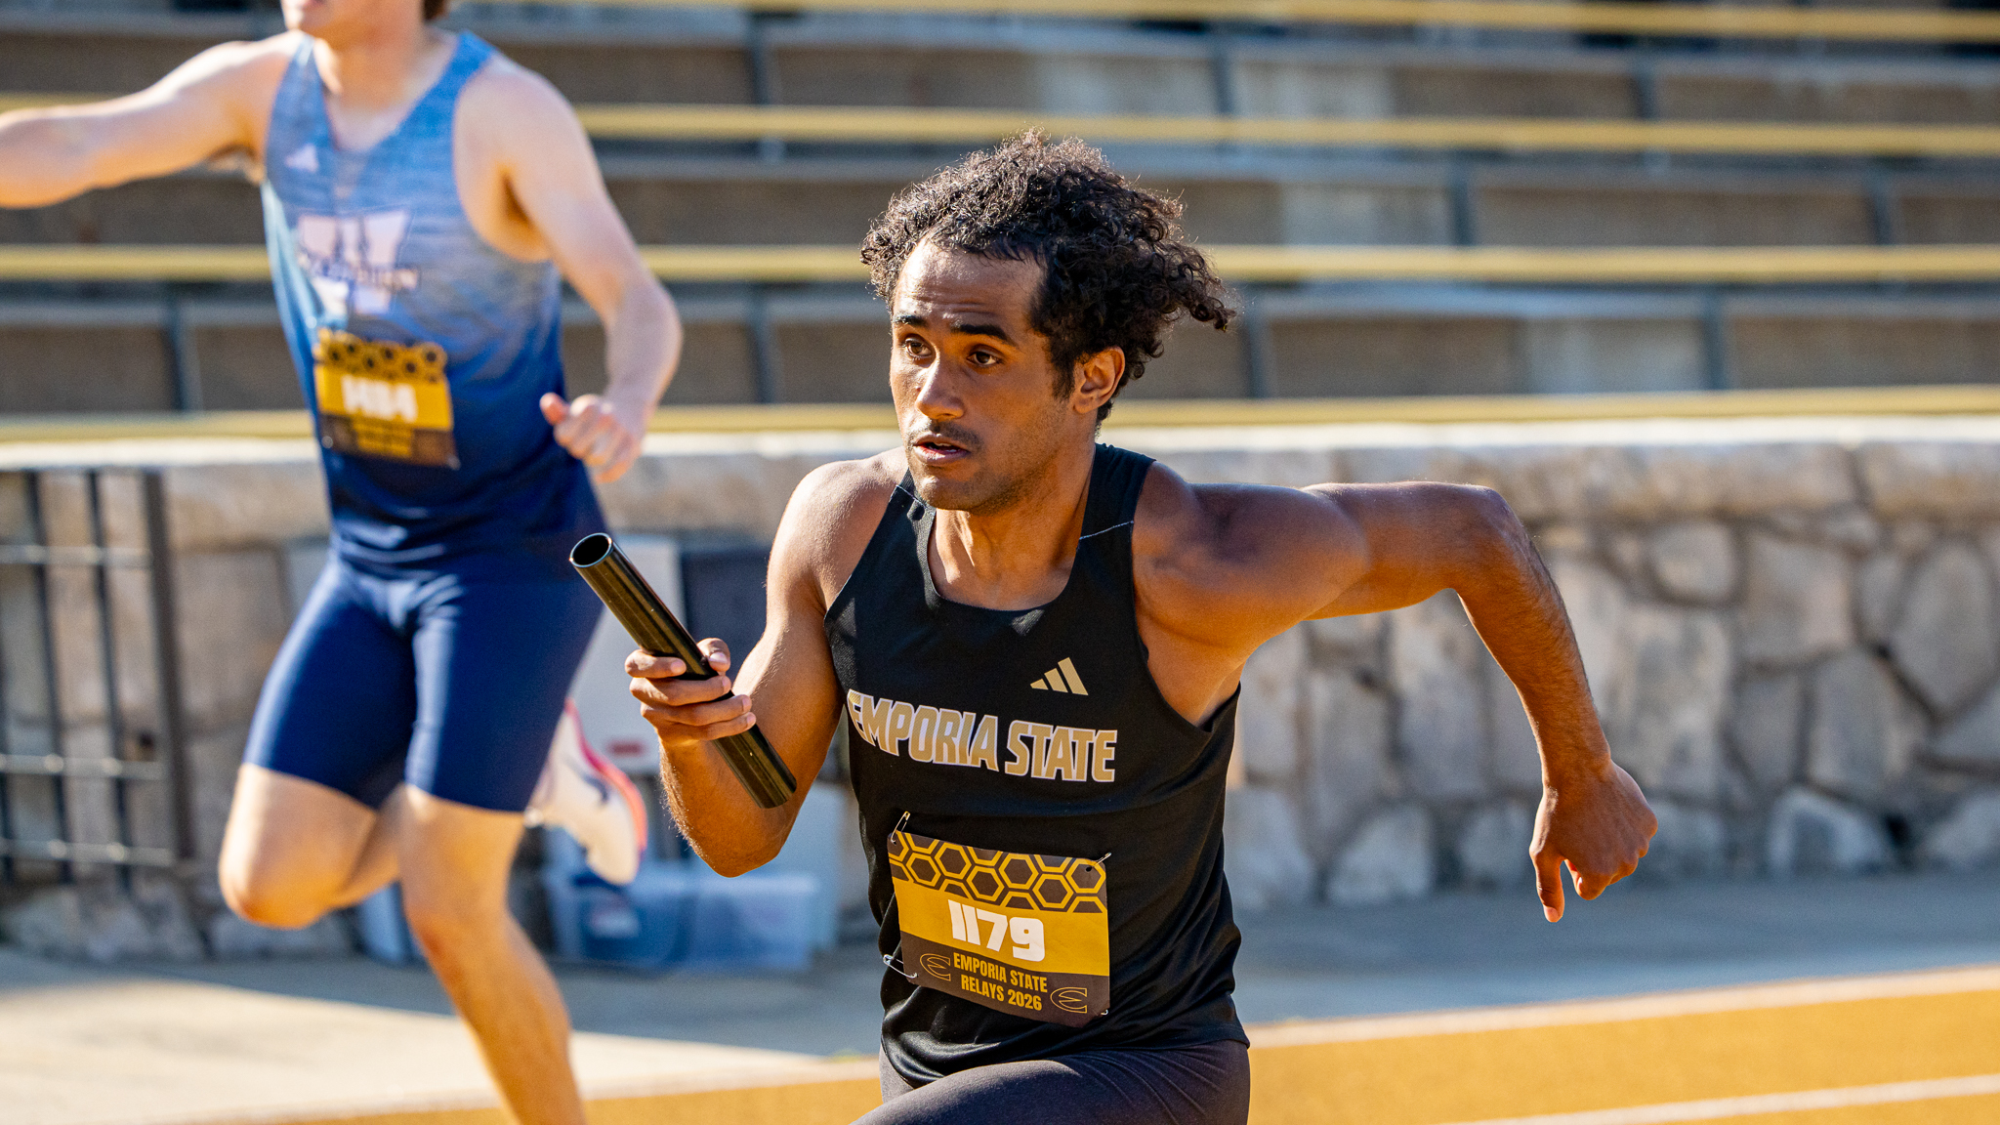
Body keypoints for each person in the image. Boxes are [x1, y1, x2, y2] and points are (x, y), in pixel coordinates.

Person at [628, 134, 1659, 1125]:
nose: (930, 396)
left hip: (1140, 1077)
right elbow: (739, 838)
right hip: (935, 1080)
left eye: (982, 355)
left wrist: (1580, 773)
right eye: (912, 347)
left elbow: (1471, 530)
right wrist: (689, 735)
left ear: (1092, 377)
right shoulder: (841, 533)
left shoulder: (1191, 564)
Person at [0, 2, 673, 1121]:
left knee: (449, 910)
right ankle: (537, 777)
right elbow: (76, 142)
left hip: (510, 554)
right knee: (267, 885)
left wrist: (630, 400)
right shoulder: (262, 90)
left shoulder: (501, 111)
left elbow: (633, 294)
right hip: (369, 557)